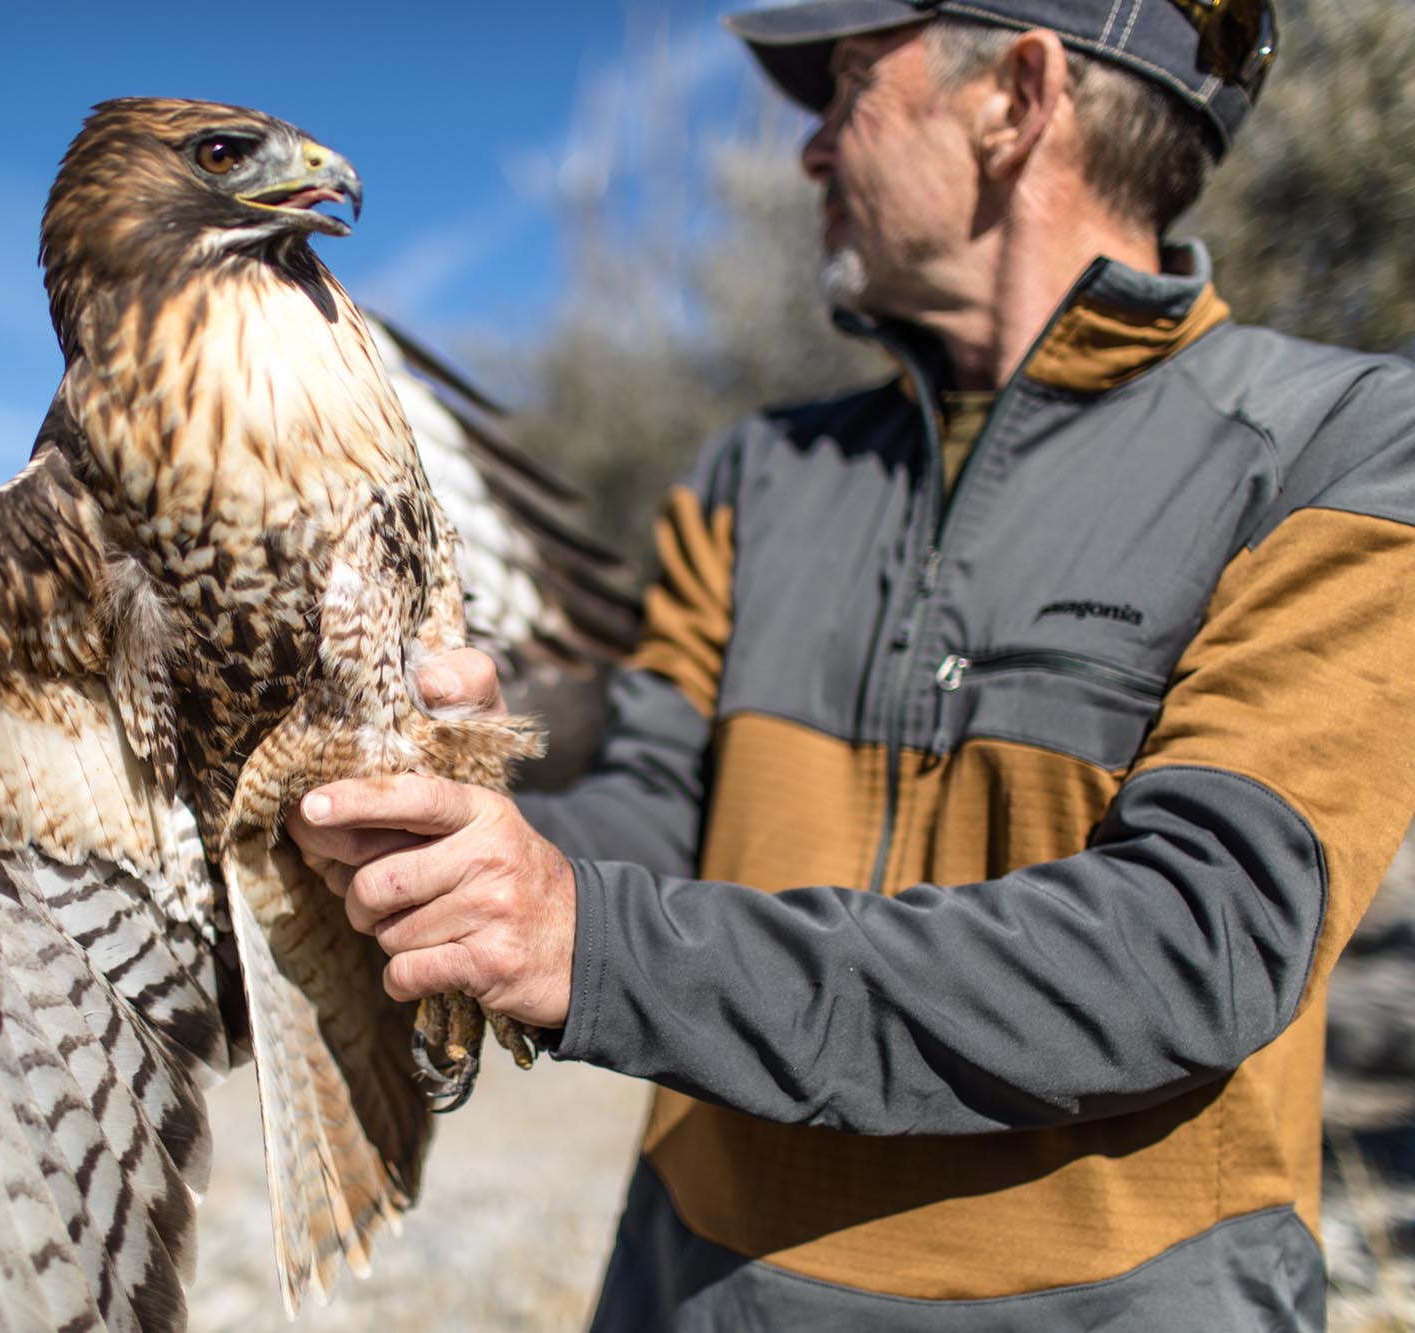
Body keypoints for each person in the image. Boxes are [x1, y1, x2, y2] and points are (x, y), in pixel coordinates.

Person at [287, 0, 1415, 1326]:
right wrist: (451, 833)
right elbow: (659, 819)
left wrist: (579, 938)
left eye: (847, 87)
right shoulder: (754, 476)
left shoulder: (1337, 452)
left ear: (1017, 96)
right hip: (702, 1290)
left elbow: (1193, 942)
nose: (810, 150)